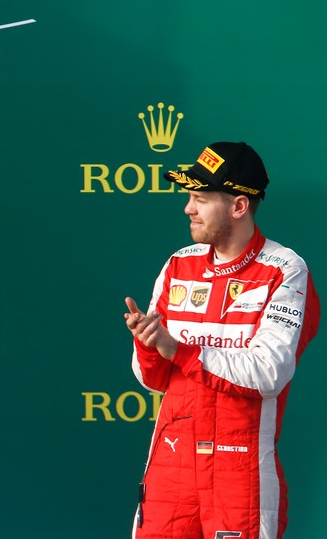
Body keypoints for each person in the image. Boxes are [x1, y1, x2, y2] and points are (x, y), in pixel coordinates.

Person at [124, 141, 320, 539]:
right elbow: (154, 379)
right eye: (189, 198)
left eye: (200, 198)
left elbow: (269, 372)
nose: (188, 208)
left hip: (240, 470)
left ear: (238, 205)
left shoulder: (284, 270)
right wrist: (148, 346)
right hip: (170, 467)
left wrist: (178, 350)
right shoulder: (179, 263)